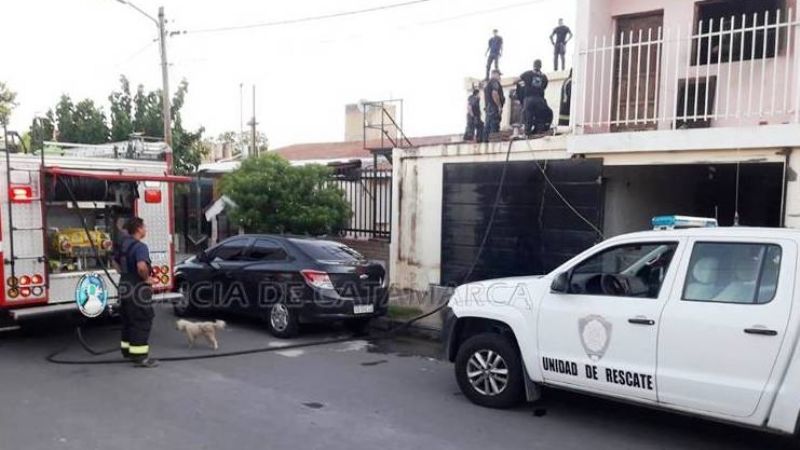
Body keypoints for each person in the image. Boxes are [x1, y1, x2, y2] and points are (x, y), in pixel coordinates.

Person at [115, 217, 160, 368]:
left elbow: (115, 262)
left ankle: (128, 352)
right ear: (139, 229)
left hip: (124, 285)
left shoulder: (123, 245)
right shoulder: (140, 247)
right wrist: (147, 279)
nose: (145, 229)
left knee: (128, 320)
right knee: (142, 320)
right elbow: (141, 267)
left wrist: (126, 274)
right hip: (137, 288)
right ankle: (140, 357)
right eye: (144, 227)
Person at [519, 60, 549, 135]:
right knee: (540, 117)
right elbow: (544, 87)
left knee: (528, 117)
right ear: (540, 66)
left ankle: (527, 133)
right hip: (540, 100)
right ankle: (539, 133)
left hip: (529, 99)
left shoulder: (527, 74)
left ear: (533, 65)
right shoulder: (544, 77)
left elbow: (517, 80)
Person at [483, 70, 505, 142]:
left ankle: (486, 143)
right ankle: (493, 144)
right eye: (499, 75)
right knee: (494, 127)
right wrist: (499, 106)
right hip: (493, 108)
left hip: (489, 109)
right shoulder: (494, 82)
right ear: (494, 74)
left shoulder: (487, 84)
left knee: (487, 127)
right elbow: (494, 93)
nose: (499, 77)